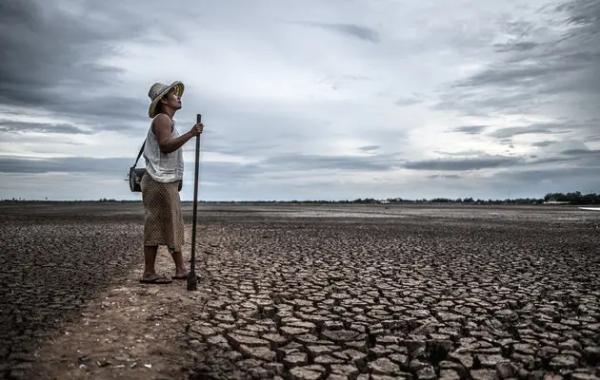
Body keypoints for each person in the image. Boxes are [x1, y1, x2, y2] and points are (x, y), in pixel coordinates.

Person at [140, 81, 204, 284]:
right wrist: (191, 134)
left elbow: (168, 153)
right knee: (156, 224)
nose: (178, 97)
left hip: (165, 180)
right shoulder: (162, 120)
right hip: (158, 180)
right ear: (164, 101)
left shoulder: (168, 121)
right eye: (174, 95)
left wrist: (177, 179)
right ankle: (149, 272)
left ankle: (180, 269)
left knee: (172, 223)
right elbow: (166, 146)